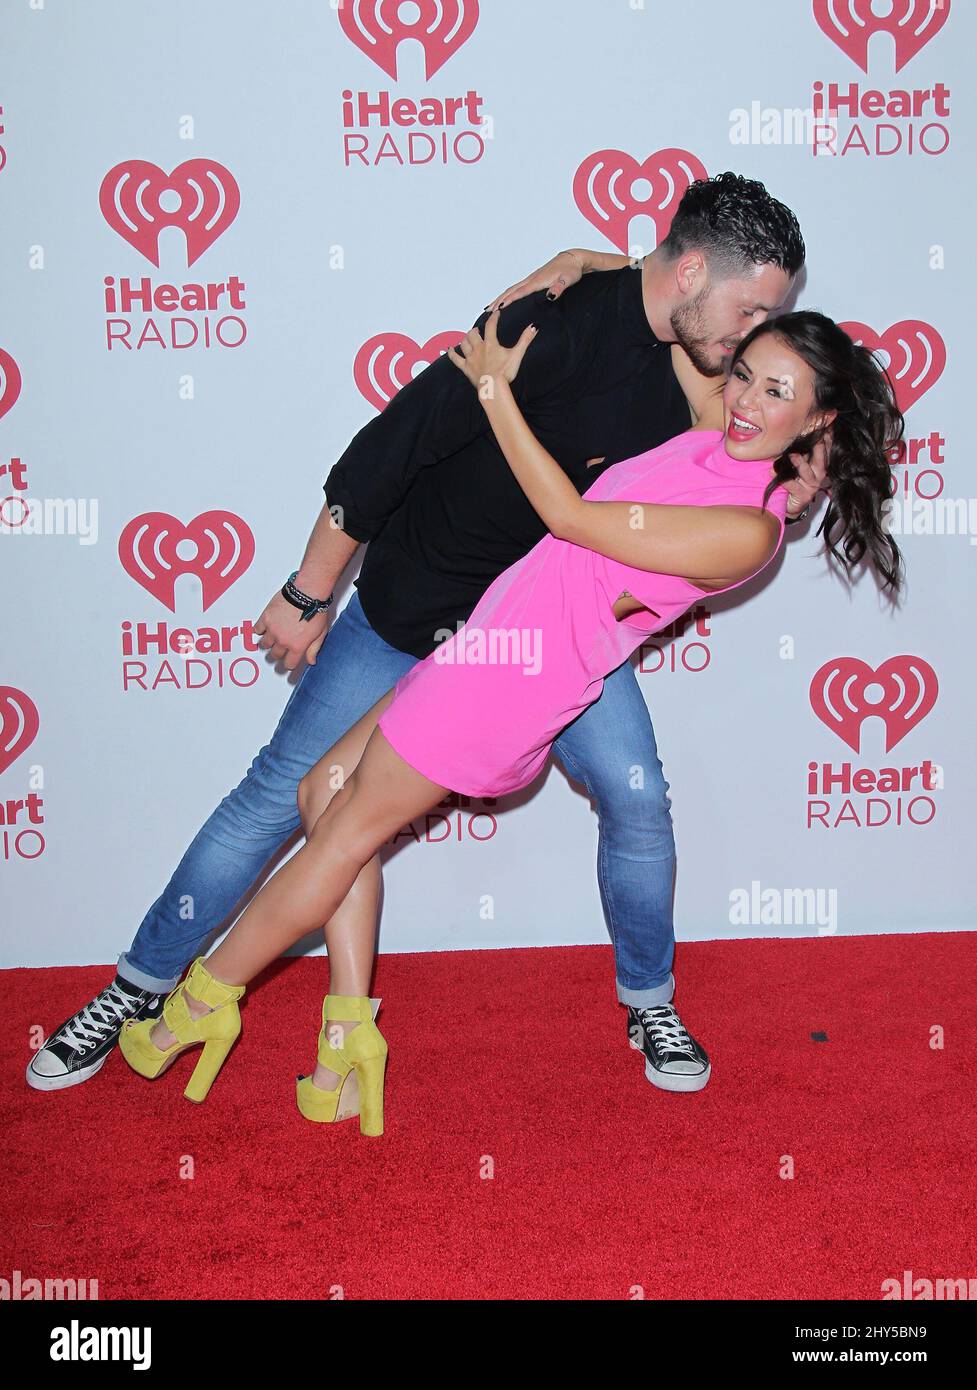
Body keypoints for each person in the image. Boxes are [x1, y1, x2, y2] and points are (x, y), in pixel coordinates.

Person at [28, 174, 820, 1099]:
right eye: (750, 306)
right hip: (417, 608)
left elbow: (791, 405)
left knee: (636, 797)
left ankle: (648, 999)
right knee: (280, 796)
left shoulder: (704, 364)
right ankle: (138, 987)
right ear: (689, 270)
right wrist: (308, 586)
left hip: (543, 644)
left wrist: (805, 475)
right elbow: (394, 442)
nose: (753, 333)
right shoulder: (541, 322)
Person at [116, 307, 904, 1134]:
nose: (742, 397)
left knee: (343, 832)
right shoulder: (718, 439)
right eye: (742, 373)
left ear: (815, 416)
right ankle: (348, 1038)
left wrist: (495, 392)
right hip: (487, 648)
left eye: (773, 391)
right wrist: (572, 266)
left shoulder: (746, 530)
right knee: (325, 789)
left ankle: (201, 1004)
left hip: (515, 685)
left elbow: (570, 519)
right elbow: (673, 308)